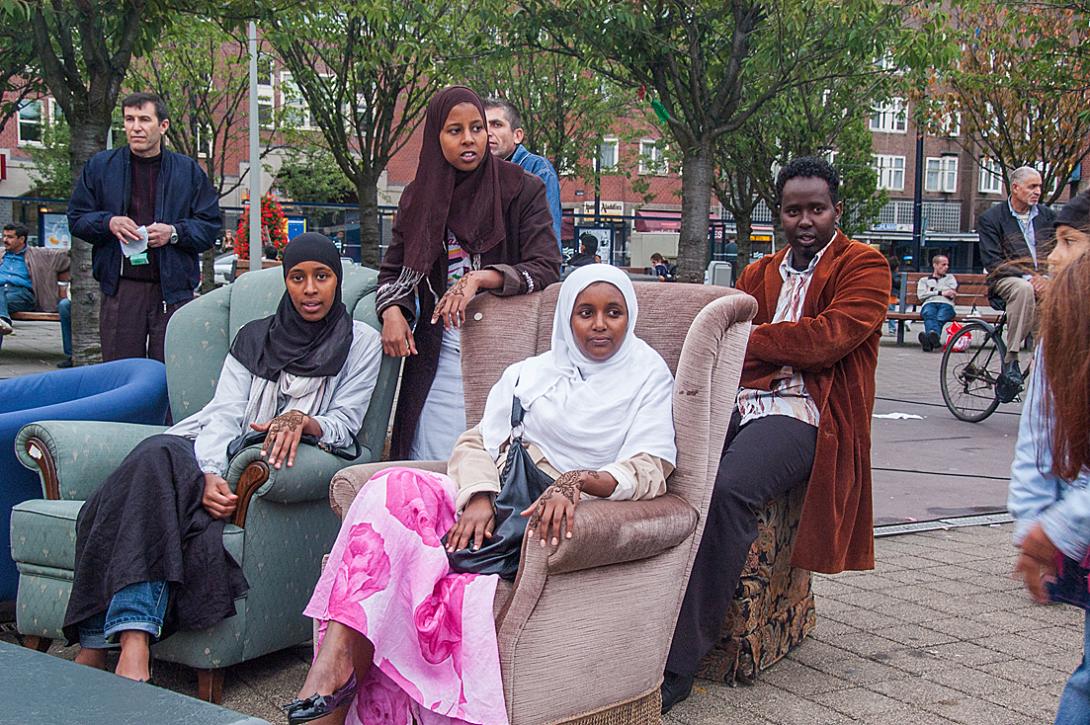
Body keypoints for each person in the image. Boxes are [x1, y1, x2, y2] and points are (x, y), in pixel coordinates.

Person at [288, 264, 677, 725]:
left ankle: (332, 694)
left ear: (628, 317)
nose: (598, 324)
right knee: (389, 488)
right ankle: (333, 666)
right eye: (584, 312)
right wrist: (477, 496)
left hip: (540, 523)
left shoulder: (647, 374)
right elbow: (476, 443)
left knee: (433, 575)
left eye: (613, 312)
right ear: (566, 320)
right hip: (488, 498)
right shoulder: (530, 373)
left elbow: (652, 469)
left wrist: (578, 481)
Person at [63, 234, 383, 683]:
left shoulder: (360, 342)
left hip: (252, 459)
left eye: (322, 277)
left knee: (146, 473)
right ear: (287, 284)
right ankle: (131, 641)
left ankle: (105, 641)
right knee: (155, 457)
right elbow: (225, 414)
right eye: (298, 278)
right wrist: (210, 474)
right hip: (207, 449)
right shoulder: (254, 337)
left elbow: (345, 423)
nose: (310, 289)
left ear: (336, 280)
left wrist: (303, 421)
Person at [662, 157, 890, 712]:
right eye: (794, 210)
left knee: (727, 489)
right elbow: (731, 347)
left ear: (837, 210)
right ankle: (635, 623)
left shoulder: (865, 266)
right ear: (779, 214)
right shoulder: (758, 274)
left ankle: (676, 663)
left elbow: (828, 339)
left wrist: (756, 341)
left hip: (810, 414)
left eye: (817, 208)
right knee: (660, 466)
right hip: (740, 403)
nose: (805, 220)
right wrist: (770, 347)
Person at [377, 86, 561, 462]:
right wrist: (392, 311)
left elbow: (545, 265)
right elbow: (392, 272)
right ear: (435, 136)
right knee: (434, 467)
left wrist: (481, 279)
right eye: (454, 130)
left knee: (498, 467)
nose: (469, 139)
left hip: (508, 354)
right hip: (439, 353)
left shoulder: (521, 189)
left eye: (477, 128)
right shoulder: (417, 198)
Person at [1007, 190, 1090, 725]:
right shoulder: (1064, 331)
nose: (1053, 257)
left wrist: (1057, 528)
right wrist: (1033, 522)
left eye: (1069, 242)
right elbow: (1038, 436)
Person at [67, 91, 221, 363]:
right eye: (129, 119)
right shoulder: (101, 167)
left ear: (163, 126)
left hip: (172, 290)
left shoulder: (188, 172)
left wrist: (173, 233)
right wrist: (108, 222)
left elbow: (209, 227)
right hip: (121, 289)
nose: (135, 127)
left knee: (169, 376)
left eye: (144, 119)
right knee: (120, 375)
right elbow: (77, 218)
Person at [977, 165, 1056, 387]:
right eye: (1032, 186)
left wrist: (1048, 278)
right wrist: (1030, 278)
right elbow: (993, 262)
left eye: (1040, 186)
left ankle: (1045, 358)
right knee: (1024, 289)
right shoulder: (992, 218)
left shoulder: (1048, 217)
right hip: (1007, 279)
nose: (1038, 191)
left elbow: (1058, 251)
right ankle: (1011, 359)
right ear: (1016, 187)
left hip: (1044, 280)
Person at [484, 98, 562, 249]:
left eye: (497, 125)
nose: (488, 132)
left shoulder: (538, 171)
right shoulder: (474, 172)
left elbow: (547, 245)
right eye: (480, 126)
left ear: (517, 135)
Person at [0, 223, 73, 364]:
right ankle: (2, 320)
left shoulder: (39, 254)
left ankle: (2, 319)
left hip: (22, 295)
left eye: (10, 237)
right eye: (4, 236)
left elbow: (69, 255)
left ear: (22, 239)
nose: (5, 240)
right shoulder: (1, 254)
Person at [916, 253, 958, 352]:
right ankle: (934, 340)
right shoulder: (924, 280)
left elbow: (951, 292)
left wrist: (931, 291)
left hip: (946, 304)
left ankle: (929, 340)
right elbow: (921, 296)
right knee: (929, 314)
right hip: (929, 304)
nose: (946, 267)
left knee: (940, 316)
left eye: (947, 265)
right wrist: (941, 292)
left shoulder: (950, 278)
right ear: (935, 265)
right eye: (943, 265)